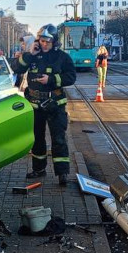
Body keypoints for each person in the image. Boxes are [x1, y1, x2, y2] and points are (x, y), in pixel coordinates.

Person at [12, 24, 76, 185]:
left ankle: (62, 173)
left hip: (55, 105)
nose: (44, 44)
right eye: (42, 41)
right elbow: (16, 68)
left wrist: (52, 80)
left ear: (54, 41)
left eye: (48, 41)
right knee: (37, 139)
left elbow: (71, 77)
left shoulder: (62, 57)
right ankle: (39, 169)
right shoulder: (32, 54)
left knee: (59, 139)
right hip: (35, 105)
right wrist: (28, 54)